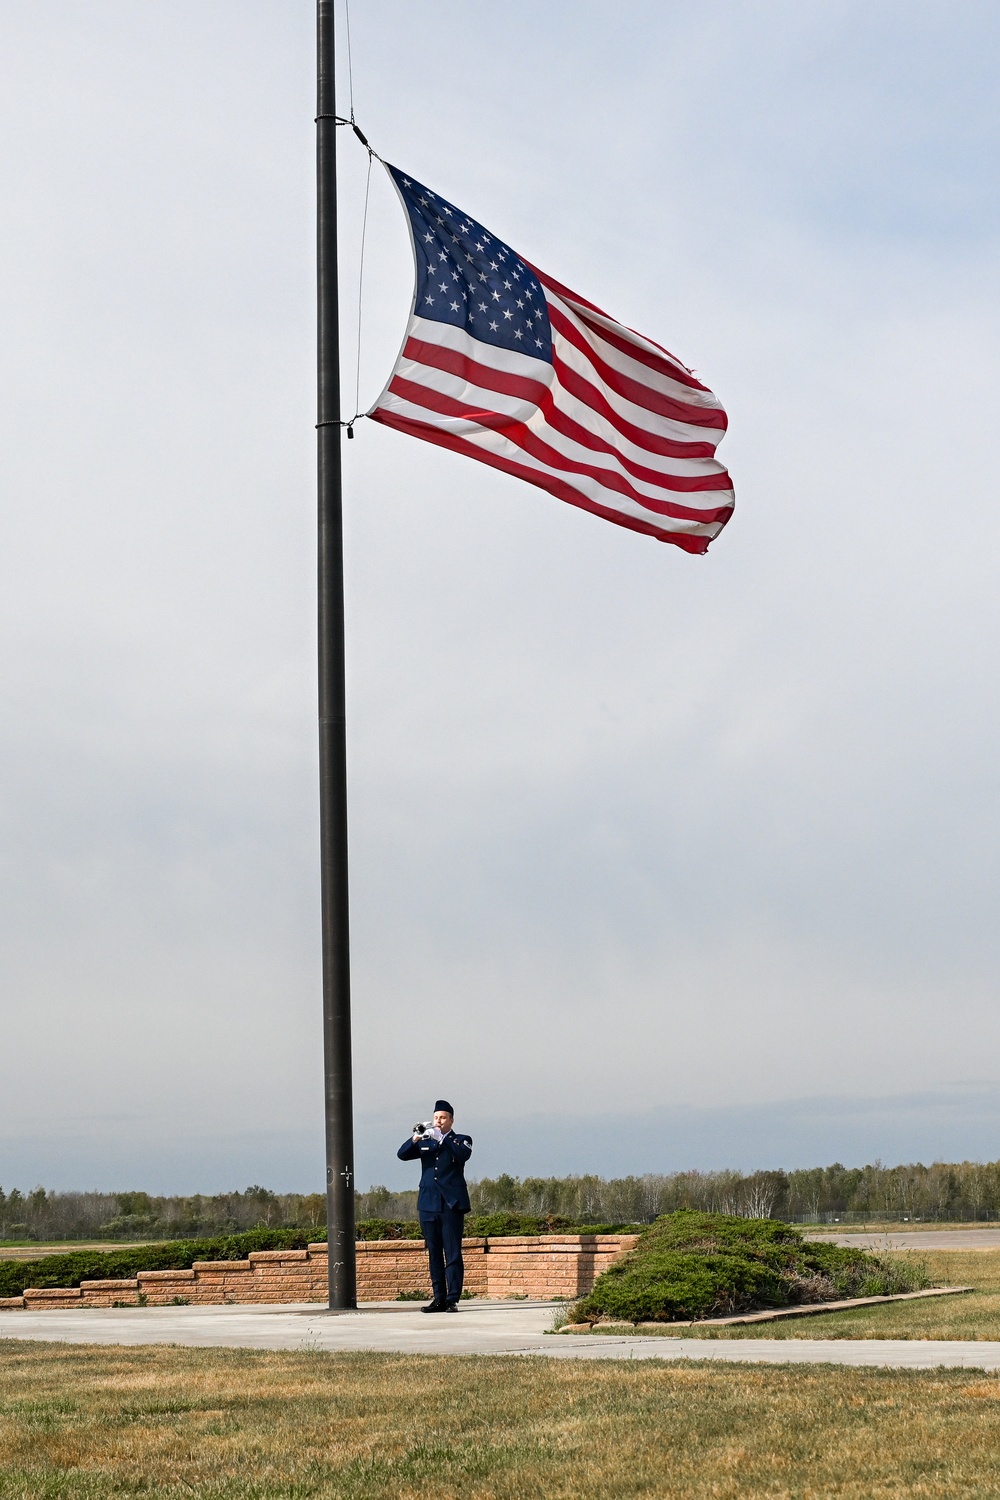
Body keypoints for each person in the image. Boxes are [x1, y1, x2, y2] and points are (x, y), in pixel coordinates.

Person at [397, 1100, 472, 1312]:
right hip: (428, 1203)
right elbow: (402, 1154)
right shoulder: (426, 1140)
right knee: (434, 1253)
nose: (438, 1121)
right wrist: (416, 1137)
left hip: (451, 1204)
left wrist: (443, 1139)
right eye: (436, 1117)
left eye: (443, 1118)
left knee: (453, 1252)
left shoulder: (461, 1140)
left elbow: (462, 1155)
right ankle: (438, 1297)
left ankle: (452, 1298)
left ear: (451, 1120)